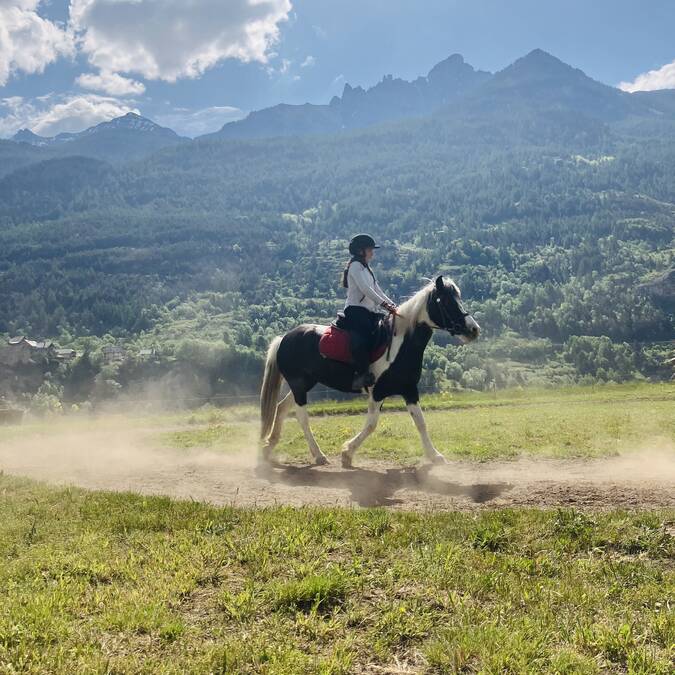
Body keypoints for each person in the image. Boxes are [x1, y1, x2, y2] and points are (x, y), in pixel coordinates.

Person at [342, 234, 397, 390]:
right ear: (360, 251)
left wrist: (392, 305)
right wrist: (385, 305)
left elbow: (376, 289)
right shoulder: (355, 267)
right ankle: (362, 374)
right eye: (370, 249)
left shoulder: (366, 267)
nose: (372, 252)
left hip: (369, 311)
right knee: (363, 336)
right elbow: (365, 289)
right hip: (355, 311)